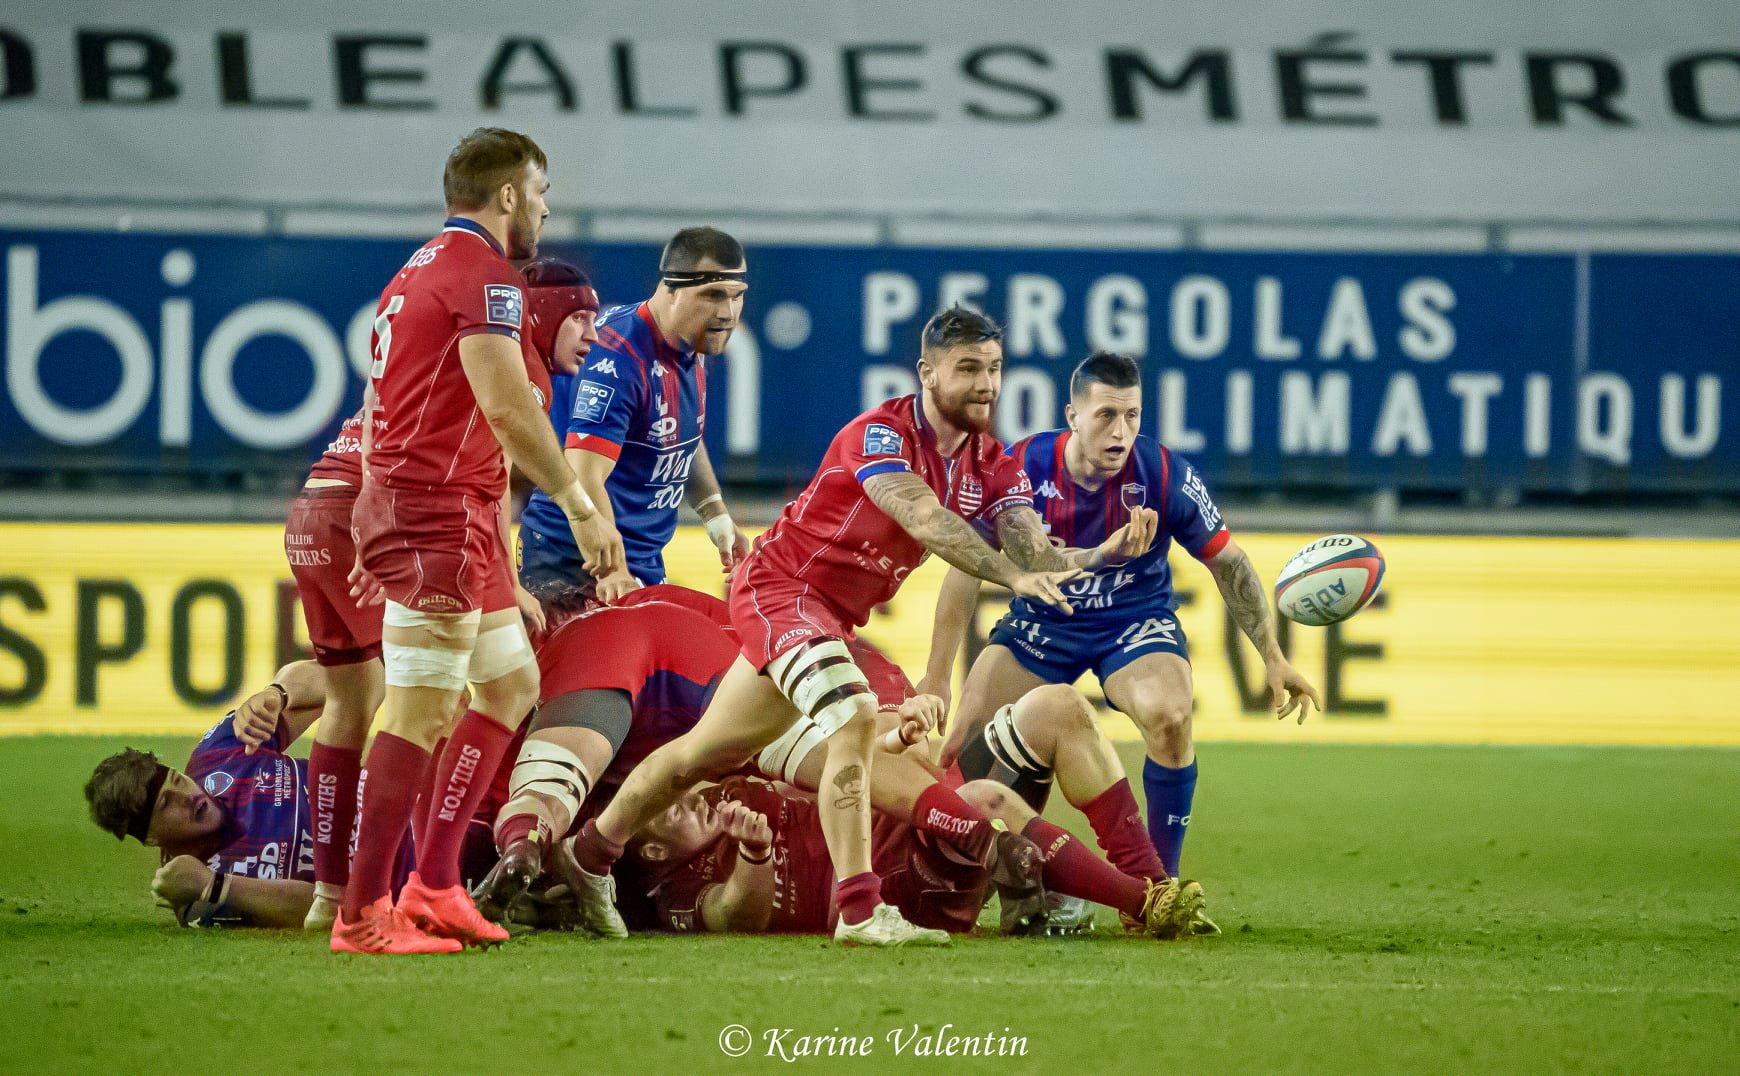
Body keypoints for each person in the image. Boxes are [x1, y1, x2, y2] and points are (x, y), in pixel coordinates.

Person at [562, 305, 1091, 947]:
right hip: (781, 589)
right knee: (856, 714)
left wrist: (1094, 556)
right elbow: (924, 520)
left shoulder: (991, 462)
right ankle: (860, 910)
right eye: (969, 368)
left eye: (996, 369)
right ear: (927, 373)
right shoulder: (881, 435)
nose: (986, 383)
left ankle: (589, 855)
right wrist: (1013, 576)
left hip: (828, 617)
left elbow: (1028, 542)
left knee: (701, 756)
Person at [338, 126, 623, 955]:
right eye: (540, 192)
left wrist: (371, 497)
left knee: (508, 684)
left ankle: (433, 884)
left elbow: (387, 391)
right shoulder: (485, 276)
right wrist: (576, 504)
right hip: (435, 514)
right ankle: (361, 916)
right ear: (507, 195)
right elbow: (507, 408)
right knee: (422, 712)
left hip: (439, 511)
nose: (543, 207)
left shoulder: (416, 271)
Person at [281, 256, 602, 931]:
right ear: (541, 312)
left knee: (355, 702)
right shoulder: (513, 362)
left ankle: (334, 895)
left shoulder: (433, 329)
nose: (591, 335)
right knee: (433, 702)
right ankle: (397, 892)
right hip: (398, 516)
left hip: (318, 503)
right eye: (580, 316)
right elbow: (488, 462)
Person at [928, 351, 1321, 886]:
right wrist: (935, 675)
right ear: (1072, 416)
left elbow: (1230, 563)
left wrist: (1273, 657)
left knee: (1171, 717)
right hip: (1046, 622)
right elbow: (964, 571)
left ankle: (1161, 885)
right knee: (967, 746)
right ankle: (999, 881)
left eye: (1133, 416)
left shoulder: (1165, 474)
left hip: (1132, 621)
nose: (1121, 432)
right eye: (1106, 416)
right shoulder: (1019, 467)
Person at [472, 583, 1045, 936]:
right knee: (800, 752)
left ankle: (540, 853)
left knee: (567, 786)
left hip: (697, 673)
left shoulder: (562, 660)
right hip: (716, 667)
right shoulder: (637, 610)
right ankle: (990, 846)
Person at [620, 774, 1202, 941]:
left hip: (890, 823)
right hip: (888, 889)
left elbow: (826, 775)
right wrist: (755, 851)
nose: (690, 801)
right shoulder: (669, 889)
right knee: (980, 809)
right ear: (650, 847)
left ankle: (1137, 895)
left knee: (990, 793)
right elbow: (733, 916)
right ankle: (1134, 898)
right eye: (670, 811)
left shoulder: (724, 786)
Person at [518, 227, 751, 603]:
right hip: (576, 562)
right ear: (671, 290)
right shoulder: (618, 358)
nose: (727, 313)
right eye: (712, 296)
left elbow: (681, 437)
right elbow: (585, 474)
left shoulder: (691, 342)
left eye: (737, 297)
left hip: (640, 561)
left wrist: (715, 513)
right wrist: (615, 570)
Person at [84, 662, 335, 928]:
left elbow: (334, 680)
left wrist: (276, 693)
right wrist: (215, 886)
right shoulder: (192, 893)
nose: (187, 796)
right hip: (381, 878)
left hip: (381, 795)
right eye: (166, 804)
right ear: (151, 838)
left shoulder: (219, 752)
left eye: (178, 780)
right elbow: (322, 910)